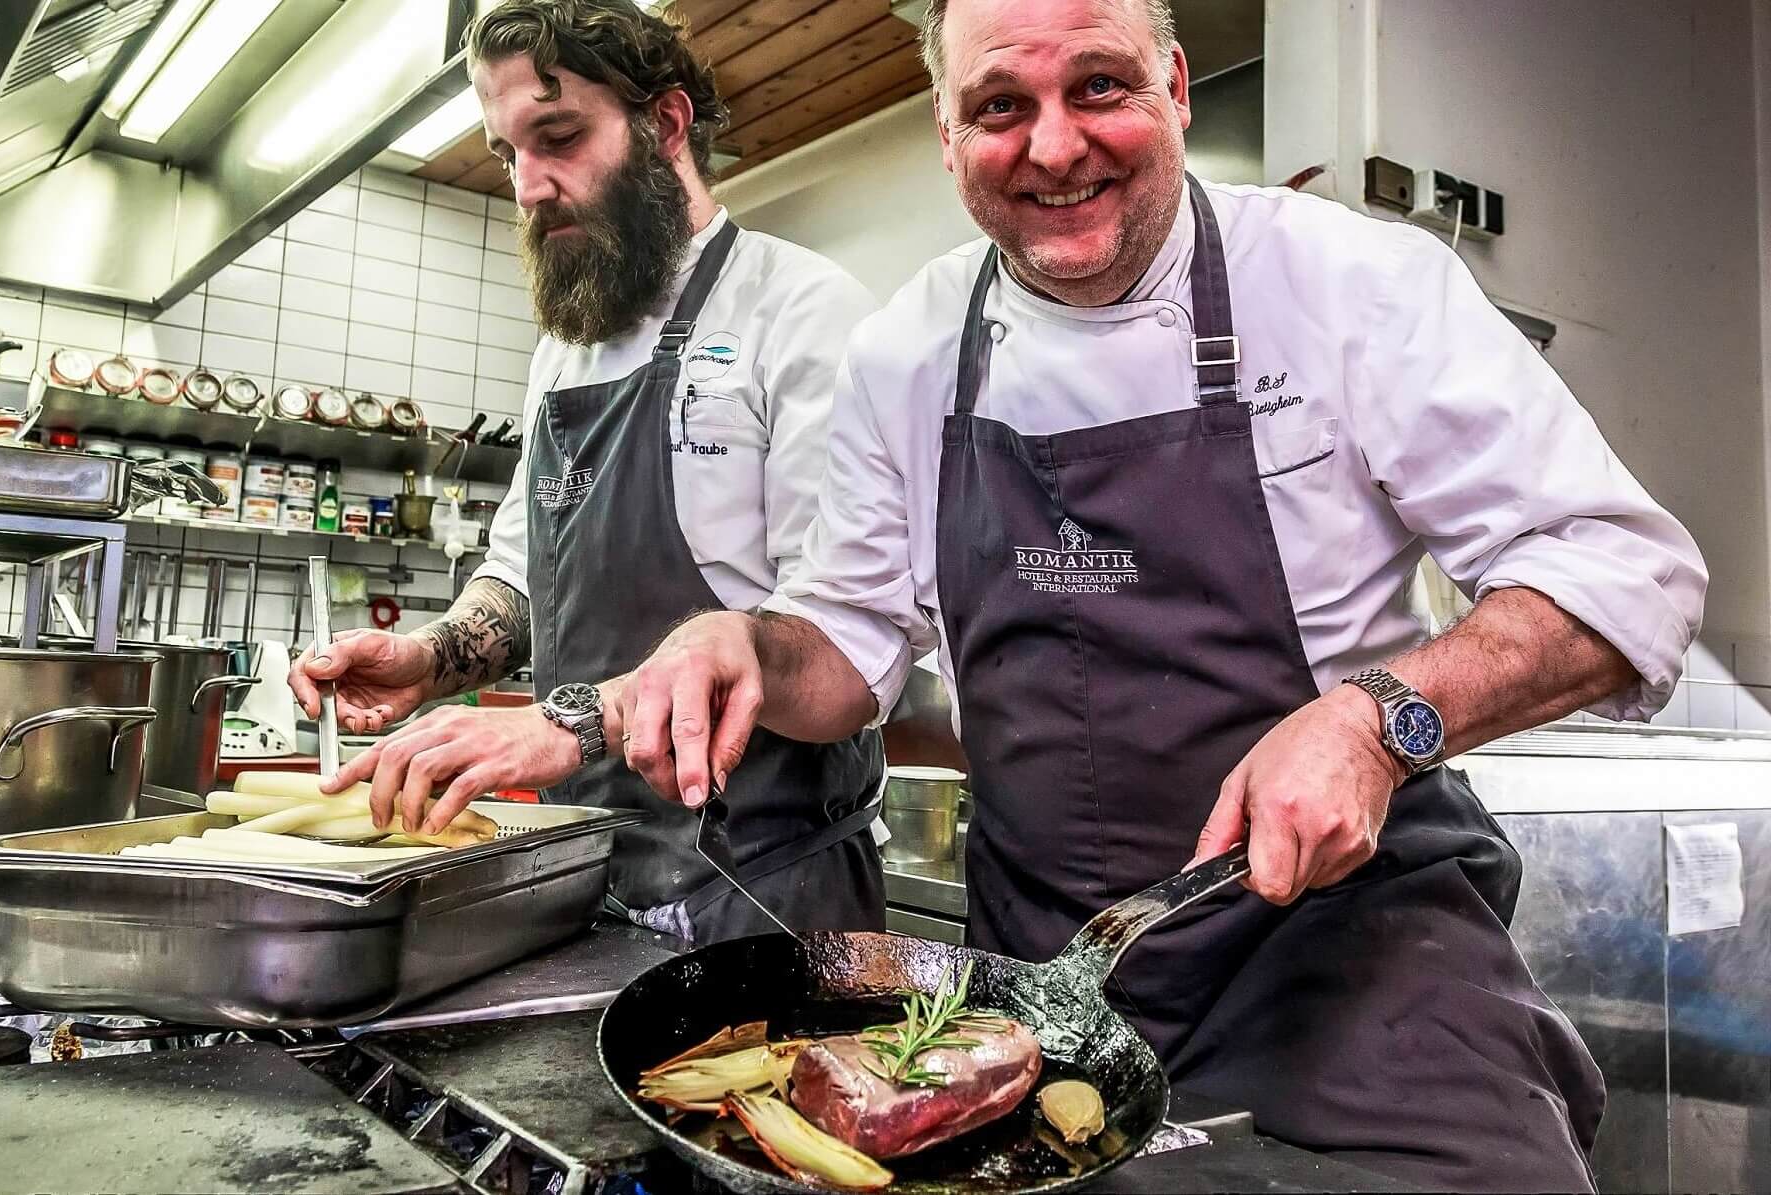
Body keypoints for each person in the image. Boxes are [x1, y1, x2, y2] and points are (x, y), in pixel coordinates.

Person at [611, 0, 1709, 1188]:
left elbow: (1620, 571)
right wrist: (749, 648)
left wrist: (1376, 721)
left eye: (1099, 86)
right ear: (946, 132)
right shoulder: (908, 351)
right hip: (1044, 979)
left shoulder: (1347, 280)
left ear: (1176, 88)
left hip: (1357, 952)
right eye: (999, 107)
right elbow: (852, 643)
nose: (1053, 146)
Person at [288, 0, 886, 947]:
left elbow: (845, 648)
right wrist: (435, 657)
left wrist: (570, 722)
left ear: (667, 124)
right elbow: (526, 575)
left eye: (558, 135)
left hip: (773, 891)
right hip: (590, 877)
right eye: (506, 152)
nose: (529, 185)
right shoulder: (562, 354)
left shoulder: (806, 316)